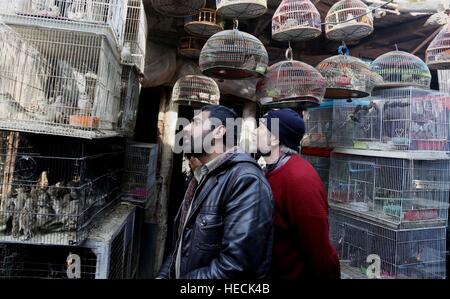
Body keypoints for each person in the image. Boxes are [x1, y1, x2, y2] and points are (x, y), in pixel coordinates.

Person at [157, 105, 274, 279]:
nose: (186, 128)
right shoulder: (203, 176)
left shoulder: (246, 181)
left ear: (219, 132)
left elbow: (235, 268)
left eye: (195, 123)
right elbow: (181, 248)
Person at [253, 108, 340, 279]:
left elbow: (319, 251)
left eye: (260, 127)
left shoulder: (299, 179)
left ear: (274, 138)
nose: (255, 132)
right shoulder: (271, 170)